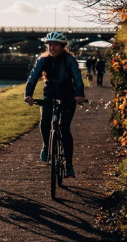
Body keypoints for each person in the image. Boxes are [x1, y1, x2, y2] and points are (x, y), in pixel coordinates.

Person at [24, 31, 87, 178]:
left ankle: (69, 166)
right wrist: (28, 94)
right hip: (49, 94)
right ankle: (46, 146)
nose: (52, 48)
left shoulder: (70, 60)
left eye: (56, 45)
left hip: (68, 96)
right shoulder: (42, 60)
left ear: (62, 46)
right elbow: (33, 78)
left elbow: (77, 78)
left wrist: (79, 94)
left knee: (65, 129)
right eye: (50, 45)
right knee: (45, 123)